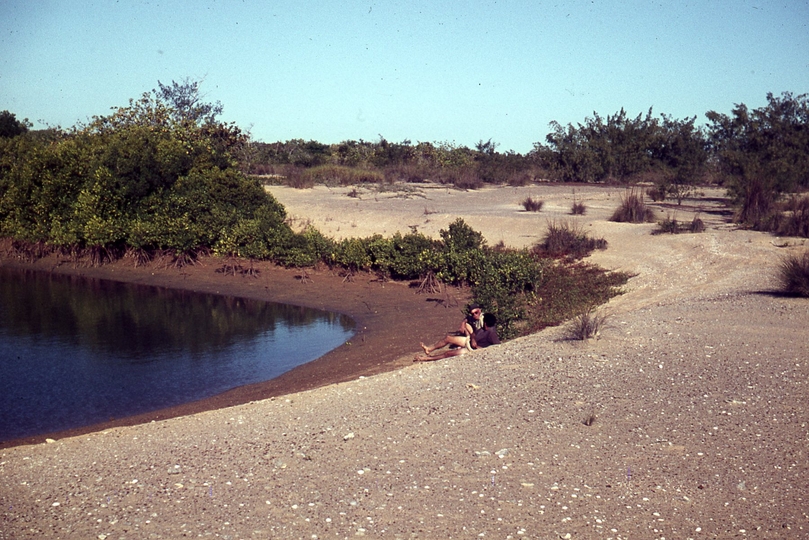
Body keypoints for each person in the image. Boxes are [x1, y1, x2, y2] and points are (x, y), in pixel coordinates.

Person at [414, 310, 500, 362]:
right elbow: (474, 333)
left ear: (485, 323)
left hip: (471, 349)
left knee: (448, 353)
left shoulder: (492, 333)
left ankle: (426, 358)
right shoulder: (483, 329)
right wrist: (473, 338)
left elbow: (496, 348)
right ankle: (429, 349)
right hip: (468, 341)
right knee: (448, 338)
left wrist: (477, 347)